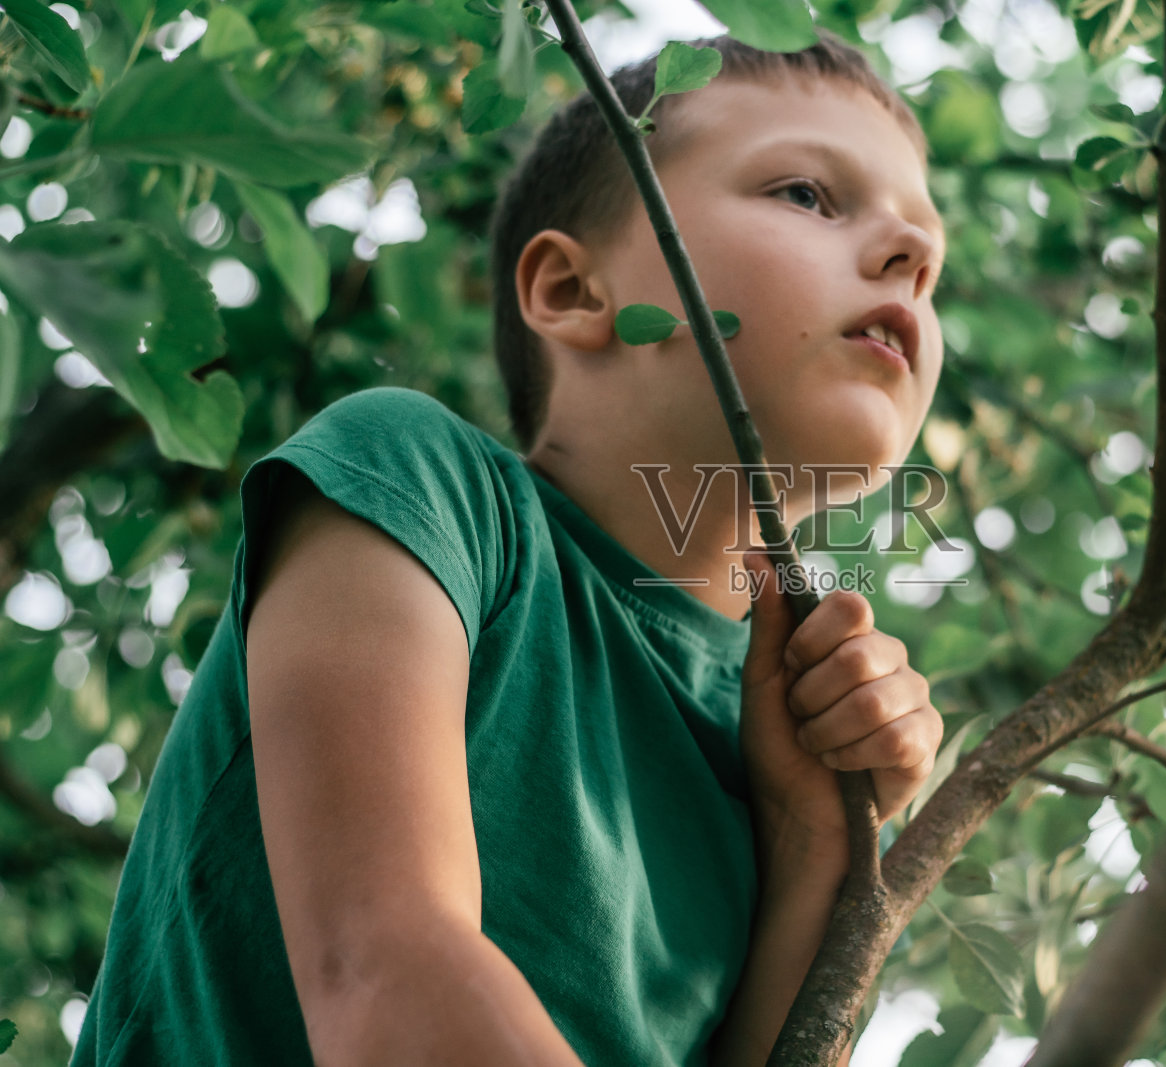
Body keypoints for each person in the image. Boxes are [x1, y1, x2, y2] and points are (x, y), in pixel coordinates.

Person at [69, 27, 947, 1067]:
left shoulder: (800, 752)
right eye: (806, 192)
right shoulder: (419, 482)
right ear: (574, 294)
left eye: (929, 257)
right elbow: (387, 970)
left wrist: (813, 846)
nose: (910, 253)